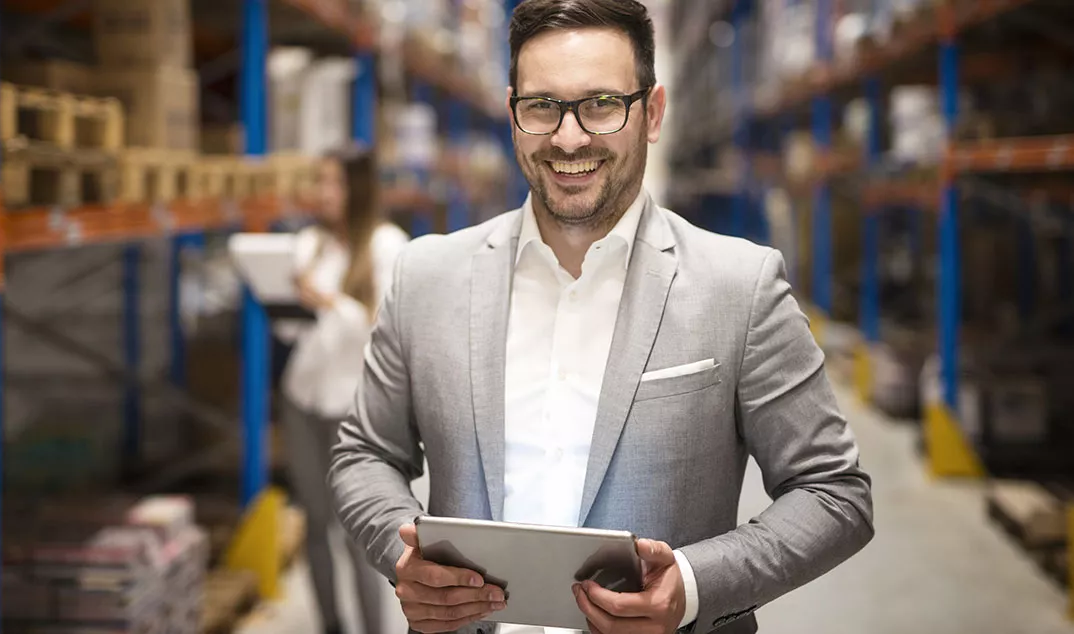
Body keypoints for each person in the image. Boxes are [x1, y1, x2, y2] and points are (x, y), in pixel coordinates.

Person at [329, 1, 875, 633]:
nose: (569, 138)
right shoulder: (428, 277)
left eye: (601, 104)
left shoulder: (739, 286)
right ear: (512, 115)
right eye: (542, 107)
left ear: (653, 113)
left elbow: (834, 492)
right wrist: (404, 559)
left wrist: (693, 586)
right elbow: (364, 454)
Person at [276, 148, 409, 634]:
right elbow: (294, 334)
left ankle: (374, 627)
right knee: (315, 522)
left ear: (358, 188)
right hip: (302, 397)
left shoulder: (385, 245)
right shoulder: (309, 243)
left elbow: (386, 332)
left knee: (360, 533)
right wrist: (285, 304)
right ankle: (330, 624)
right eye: (320, 182)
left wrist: (329, 301)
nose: (323, 193)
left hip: (352, 409)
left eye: (333, 183)